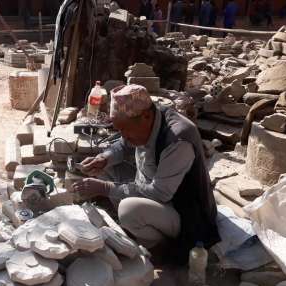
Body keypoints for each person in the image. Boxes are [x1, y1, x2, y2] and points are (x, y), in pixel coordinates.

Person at [72, 85, 219, 264]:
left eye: (125, 129)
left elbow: (159, 193)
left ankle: (160, 248)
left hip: (185, 212)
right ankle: (136, 225)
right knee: (104, 166)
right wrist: (103, 158)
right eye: (119, 130)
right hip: (150, 190)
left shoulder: (178, 139)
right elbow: (124, 143)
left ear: (146, 116)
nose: (123, 135)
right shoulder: (148, 118)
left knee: (128, 210)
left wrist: (104, 188)